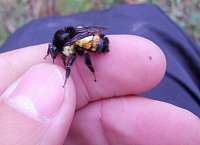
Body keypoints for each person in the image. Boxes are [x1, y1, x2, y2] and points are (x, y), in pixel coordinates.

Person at [0, 4, 199, 145]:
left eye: (54, 52)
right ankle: (134, 11)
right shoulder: (66, 37)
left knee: (76, 55)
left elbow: (73, 52)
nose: (55, 55)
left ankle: (89, 72)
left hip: (95, 43)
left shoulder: (67, 46)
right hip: (93, 35)